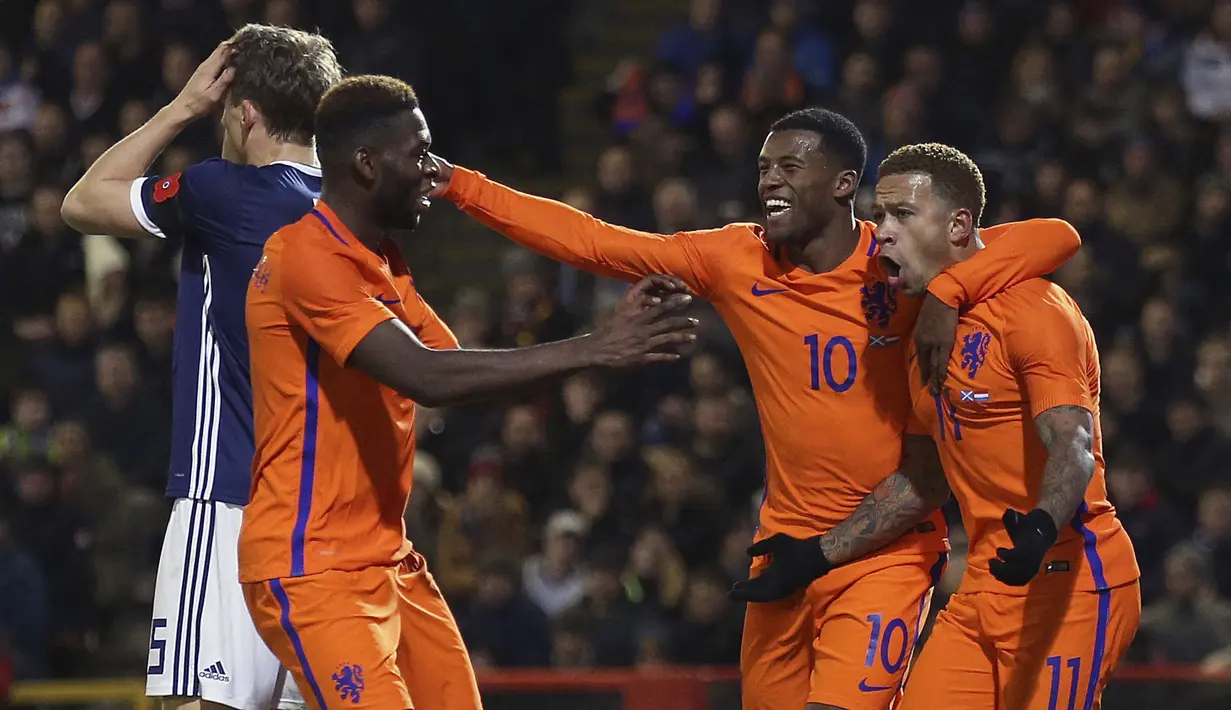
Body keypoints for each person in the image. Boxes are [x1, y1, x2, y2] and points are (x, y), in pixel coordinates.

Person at [431, 108, 1081, 710]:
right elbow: (593, 241)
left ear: (842, 183)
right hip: (783, 545)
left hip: (885, 551)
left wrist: (946, 291)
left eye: (789, 168)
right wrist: (460, 185)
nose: (768, 181)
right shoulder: (734, 258)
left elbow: (1052, 236)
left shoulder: (900, 263)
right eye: (763, 168)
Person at [238, 74, 698, 710]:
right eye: (418, 151)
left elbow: (455, 371)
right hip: (312, 566)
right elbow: (426, 375)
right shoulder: (307, 258)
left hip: (385, 559)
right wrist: (595, 347)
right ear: (367, 165)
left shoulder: (381, 261)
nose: (432, 169)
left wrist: (590, 348)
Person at [60, 25, 343, 710]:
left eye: (223, 110)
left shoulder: (225, 192)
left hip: (230, 498)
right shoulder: (356, 213)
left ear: (244, 112)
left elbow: (83, 201)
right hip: (330, 520)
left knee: (194, 703)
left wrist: (181, 106)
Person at [869, 143, 1140, 709]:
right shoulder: (920, 335)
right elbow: (924, 480)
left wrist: (1040, 525)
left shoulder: (1034, 309)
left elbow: (1073, 444)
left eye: (902, 214)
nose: (882, 233)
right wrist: (821, 550)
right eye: (878, 216)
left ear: (959, 224)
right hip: (984, 585)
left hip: (1070, 575)